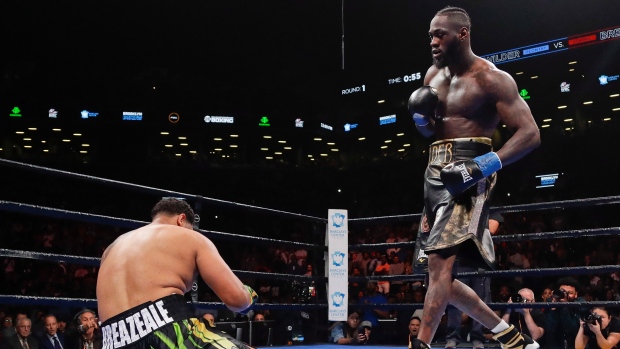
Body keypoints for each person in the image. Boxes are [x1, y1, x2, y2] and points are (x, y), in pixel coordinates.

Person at [409, 6, 541, 349]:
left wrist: (482, 165)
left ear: (462, 34)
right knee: (439, 276)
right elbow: (433, 131)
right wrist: (422, 122)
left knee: (439, 263)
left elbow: (530, 133)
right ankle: (510, 336)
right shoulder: (432, 77)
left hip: (472, 167)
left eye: (441, 34)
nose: (434, 42)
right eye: (431, 36)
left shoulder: (491, 78)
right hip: (434, 171)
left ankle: (420, 345)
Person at [96, 198, 258, 349]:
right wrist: (249, 295)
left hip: (112, 341)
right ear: (181, 219)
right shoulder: (190, 236)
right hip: (165, 328)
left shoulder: (112, 248)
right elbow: (237, 301)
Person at [544, 277, 584, 349]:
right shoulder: (549, 303)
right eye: (563, 292)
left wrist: (564, 306)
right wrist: (553, 308)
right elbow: (549, 330)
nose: (566, 295)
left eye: (570, 293)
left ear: (576, 294)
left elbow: (571, 330)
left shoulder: (580, 305)